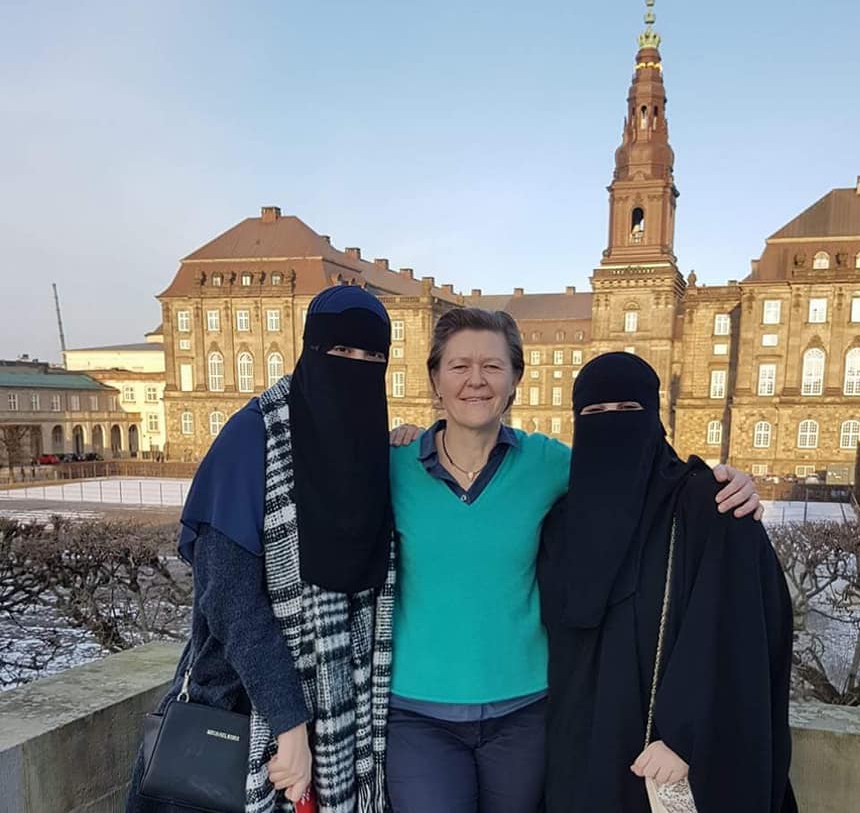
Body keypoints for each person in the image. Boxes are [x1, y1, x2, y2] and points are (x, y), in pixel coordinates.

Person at [385, 309, 763, 813]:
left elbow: (638, 473)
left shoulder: (552, 463)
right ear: (434, 378)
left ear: (515, 381)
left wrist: (730, 482)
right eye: (459, 366)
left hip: (523, 711)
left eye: (492, 366)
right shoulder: (393, 465)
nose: (476, 380)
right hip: (418, 713)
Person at [125, 285, 395, 813]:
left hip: (343, 717)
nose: (357, 366)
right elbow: (231, 602)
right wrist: (290, 725)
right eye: (342, 350)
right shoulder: (252, 438)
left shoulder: (371, 453)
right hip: (240, 712)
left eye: (373, 357)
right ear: (311, 348)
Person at [537, 352, 797, 813]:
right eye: (594, 412)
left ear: (655, 417)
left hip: (664, 761)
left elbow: (739, 627)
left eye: (628, 409)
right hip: (577, 755)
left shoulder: (708, 506)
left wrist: (686, 735)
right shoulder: (561, 520)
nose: (611, 423)